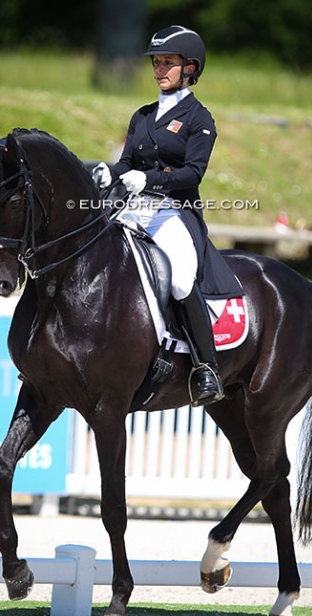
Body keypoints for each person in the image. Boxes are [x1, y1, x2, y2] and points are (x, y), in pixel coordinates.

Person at [93, 25, 239, 407]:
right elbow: (126, 162)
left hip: (174, 211)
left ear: (190, 68)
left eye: (168, 63)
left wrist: (151, 178)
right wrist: (113, 172)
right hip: (135, 209)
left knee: (179, 279)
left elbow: (193, 173)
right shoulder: (141, 115)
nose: (159, 70)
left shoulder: (198, 118)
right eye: (156, 63)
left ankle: (206, 368)